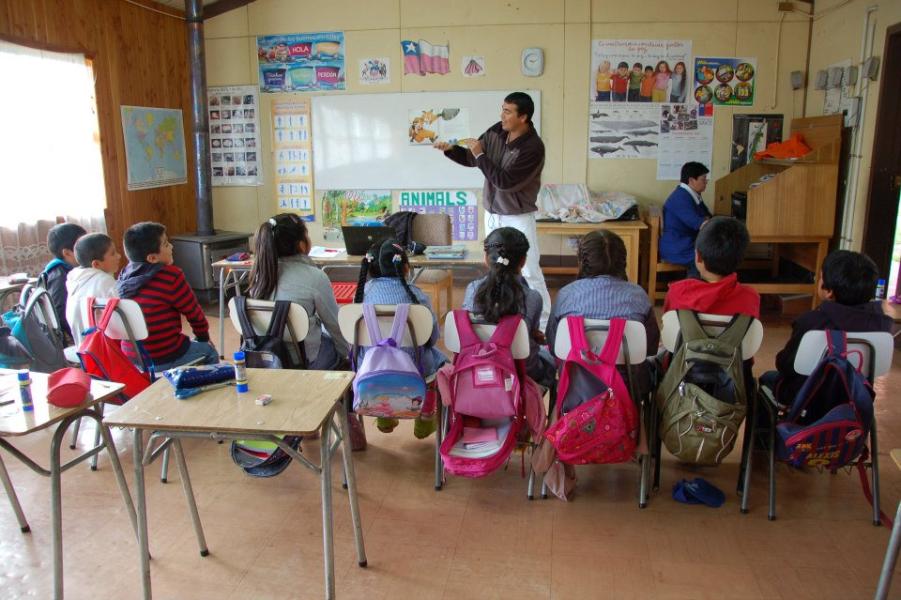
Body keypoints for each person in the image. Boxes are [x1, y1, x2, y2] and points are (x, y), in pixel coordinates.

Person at [434, 91, 552, 329]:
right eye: (502, 109)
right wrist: (450, 150)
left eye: (508, 112)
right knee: (495, 267)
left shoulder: (533, 148)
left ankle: (542, 324)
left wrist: (480, 154)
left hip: (517, 216)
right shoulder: (498, 130)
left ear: (524, 117)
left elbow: (505, 181)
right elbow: (472, 158)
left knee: (528, 270)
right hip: (492, 213)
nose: (502, 116)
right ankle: (497, 316)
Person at [764, 250, 893, 403]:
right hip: (854, 397)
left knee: (767, 378)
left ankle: (771, 427)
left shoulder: (812, 322)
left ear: (829, 292)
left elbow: (786, 365)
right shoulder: (882, 324)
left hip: (808, 398)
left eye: (819, 277)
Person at [546, 229, 659, 395]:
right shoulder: (639, 296)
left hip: (576, 386)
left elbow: (554, 345)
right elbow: (650, 348)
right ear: (623, 262)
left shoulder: (565, 295)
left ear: (582, 261)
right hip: (629, 388)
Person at [354, 238, 447, 436]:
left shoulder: (361, 294)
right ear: (405, 267)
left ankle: (385, 416)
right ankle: (425, 418)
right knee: (440, 362)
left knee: (378, 363)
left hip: (370, 368)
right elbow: (431, 338)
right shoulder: (417, 295)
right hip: (415, 367)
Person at [247, 213, 349, 370]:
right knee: (331, 339)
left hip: (265, 358)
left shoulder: (259, 275)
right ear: (302, 244)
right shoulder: (315, 277)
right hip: (305, 360)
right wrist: (347, 356)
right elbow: (335, 326)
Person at [117, 222, 218, 370]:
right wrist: (203, 338)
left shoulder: (123, 276)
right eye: (165, 244)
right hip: (164, 354)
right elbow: (194, 313)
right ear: (152, 258)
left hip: (132, 357)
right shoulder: (170, 276)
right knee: (209, 352)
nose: (171, 246)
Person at [462, 227, 555, 388]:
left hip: (477, 367)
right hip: (521, 372)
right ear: (523, 261)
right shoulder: (533, 298)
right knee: (550, 359)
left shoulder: (472, 290)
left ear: (486, 258)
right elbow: (525, 342)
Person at [663, 216, 760, 319]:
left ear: (699, 257)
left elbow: (669, 330)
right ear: (740, 259)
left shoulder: (676, 293)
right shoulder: (750, 298)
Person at [65, 233, 121, 347]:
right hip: (105, 349)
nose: (119, 256)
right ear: (96, 264)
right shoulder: (104, 281)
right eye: (113, 253)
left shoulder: (75, 280)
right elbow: (122, 321)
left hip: (83, 348)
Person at [659, 161, 713, 278]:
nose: (706, 182)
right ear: (692, 180)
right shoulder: (681, 197)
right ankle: (693, 290)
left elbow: (707, 216)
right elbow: (699, 223)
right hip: (678, 247)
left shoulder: (692, 194)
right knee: (706, 257)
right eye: (703, 179)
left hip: (685, 242)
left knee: (712, 253)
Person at [41, 222, 87, 342]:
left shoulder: (66, 268)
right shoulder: (58, 274)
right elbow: (60, 311)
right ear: (67, 253)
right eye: (83, 247)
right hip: (62, 337)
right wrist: (80, 336)